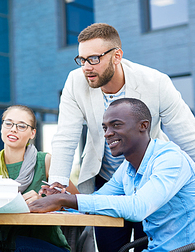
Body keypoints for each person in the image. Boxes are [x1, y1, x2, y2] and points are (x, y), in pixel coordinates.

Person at [48, 23, 195, 251]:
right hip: (112, 177)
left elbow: (188, 138)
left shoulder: (156, 82)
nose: (86, 67)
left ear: (117, 56)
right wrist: (57, 188)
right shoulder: (76, 82)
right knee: (110, 247)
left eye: (94, 58)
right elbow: (66, 135)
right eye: (82, 59)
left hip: (152, 178)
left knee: (150, 236)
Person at [30, 98, 195, 252]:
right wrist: (62, 200)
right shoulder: (128, 168)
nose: (107, 133)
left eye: (116, 125)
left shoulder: (170, 159)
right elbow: (98, 200)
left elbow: (138, 207)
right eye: (105, 127)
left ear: (143, 126)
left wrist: (65, 200)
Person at [0, 105, 75, 252]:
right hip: (4, 245)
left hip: (48, 246)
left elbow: (77, 200)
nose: (13, 129)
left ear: (32, 133)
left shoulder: (46, 162)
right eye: (8, 123)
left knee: (13, 245)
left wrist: (47, 202)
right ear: (2, 128)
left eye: (22, 126)